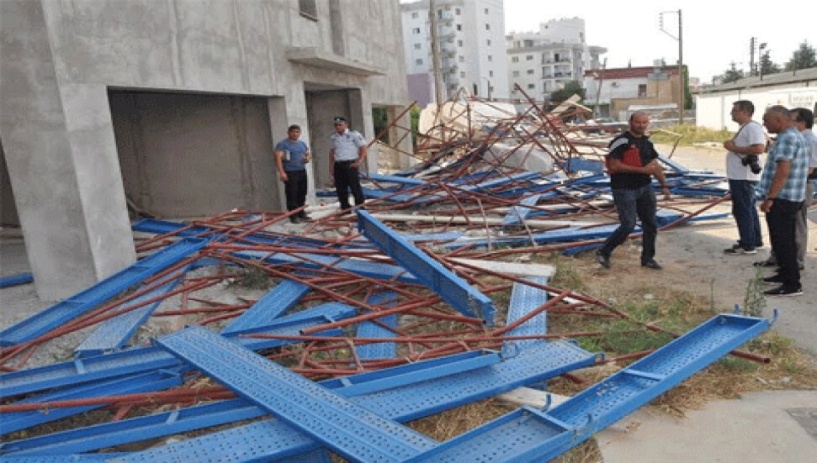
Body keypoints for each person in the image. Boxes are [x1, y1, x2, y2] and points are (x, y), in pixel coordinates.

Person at [596, 112, 671, 270]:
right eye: (638, 122)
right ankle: (604, 251)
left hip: (645, 188)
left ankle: (648, 258)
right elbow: (613, 166)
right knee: (628, 225)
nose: (642, 125)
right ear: (630, 122)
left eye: (645, 123)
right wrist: (641, 170)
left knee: (650, 224)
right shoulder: (621, 141)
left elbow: (654, 165)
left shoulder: (646, 142)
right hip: (624, 189)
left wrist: (664, 185)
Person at [756, 105, 808, 297]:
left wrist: (770, 198)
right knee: (782, 240)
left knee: (783, 241)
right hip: (790, 197)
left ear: (778, 120)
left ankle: (792, 284)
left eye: (766, 120)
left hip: (783, 198)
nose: (764, 124)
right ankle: (784, 274)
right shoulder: (794, 136)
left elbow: (783, 171)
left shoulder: (787, 138)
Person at [722, 100, 766, 255]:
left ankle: (747, 244)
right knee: (748, 209)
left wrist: (734, 148)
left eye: (735, 111)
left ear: (745, 112)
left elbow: (759, 148)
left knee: (743, 210)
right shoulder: (746, 128)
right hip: (739, 176)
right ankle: (755, 240)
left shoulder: (753, 128)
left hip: (743, 177)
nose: (731, 113)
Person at [790, 107, 817, 268]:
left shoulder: (810, 140)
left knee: (799, 223)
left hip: (800, 185)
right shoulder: (799, 138)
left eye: (792, 120)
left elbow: (811, 167)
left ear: (802, 123)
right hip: (792, 185)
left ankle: (798, 259)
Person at [274, 124, 311, 223]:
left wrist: (307, 158)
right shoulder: (283, 144)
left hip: (301, 171)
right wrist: (282, 172)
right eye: (293, 132)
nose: (295, 134)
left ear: (300, 133)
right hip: (290, 172)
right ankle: (293, 215)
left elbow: (307, 153)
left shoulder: (302, 144)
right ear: (289, 133)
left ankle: (301, 212)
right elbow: (277, 158)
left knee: (302, 192)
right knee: (292, 194)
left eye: (297, 132)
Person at [329, 116, 367, 212]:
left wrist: (360, 160)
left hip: (350, 164)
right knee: (341, 188)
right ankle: (345, 207)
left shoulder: (353, 134)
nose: (338, 127)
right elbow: (332, 151)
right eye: (336, 125)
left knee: (355, 187)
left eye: (340, 125)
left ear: (346, 125)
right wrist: (331, 166)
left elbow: (363, 147)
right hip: (338, 164)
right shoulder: (334, 136)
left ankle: (360, 207)